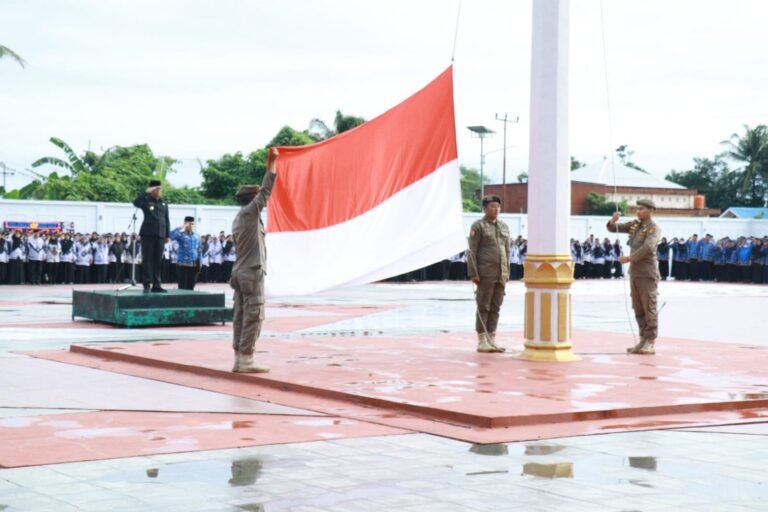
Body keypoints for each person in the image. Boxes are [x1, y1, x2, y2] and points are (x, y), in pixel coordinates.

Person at [229, 148, 279, 373]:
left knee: (240, 315)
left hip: (240, 272)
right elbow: (266, 191)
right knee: (253, 315)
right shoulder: (250, 213)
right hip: (251, 271)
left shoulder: (239, 218)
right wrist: (273, 165)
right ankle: (246, 359)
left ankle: (240, 358)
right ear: (252, 199)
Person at [607, 199, 661, 355]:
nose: (638, 211)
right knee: (638, 308)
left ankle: (650, 341)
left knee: (649, 307)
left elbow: (648, 247)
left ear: (651, 210)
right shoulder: (635, 225)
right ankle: (642, 340)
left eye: (642, 209)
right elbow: (613, 228)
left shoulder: (654, 228)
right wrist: (613, 220)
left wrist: (629, 258)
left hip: (647, 273)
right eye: (637, 209)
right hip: (635, 273)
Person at [467, 194, 510, 353]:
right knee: (483, 306)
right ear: (485, 208)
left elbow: (507, 250)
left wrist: (507, 272)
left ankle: (492, 339)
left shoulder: (504, 227)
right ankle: (482, 340)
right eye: (492, 206)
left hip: (501, 274)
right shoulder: (478, 226)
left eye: (498, 207)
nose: (496, 209)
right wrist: (473, 272)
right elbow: (472, 250)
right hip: (485, 273)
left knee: (496, 307)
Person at [133, 179, 171, 292]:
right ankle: (146, 284)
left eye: (160, 189)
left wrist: (167, 234)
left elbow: (166, 219)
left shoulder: (164, 203)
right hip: (148, 234)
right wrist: (146, 192)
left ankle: (157, 284)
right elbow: (136, 203)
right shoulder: (146, 201)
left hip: (160, 235)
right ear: (152, 190)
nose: (159, 191)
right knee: (148, 260)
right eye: (157, 189)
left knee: (158, 260)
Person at [171, 216, 202, 290]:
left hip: (194, 264)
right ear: (185, 224)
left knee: (191, 285)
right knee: (182, 285)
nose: (190, 226)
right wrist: (180, 227)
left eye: (192, 224)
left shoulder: (197, 236)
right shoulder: (180, 234)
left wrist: (200, 261)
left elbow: (200, 249)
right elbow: (171, 235)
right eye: (189, 224)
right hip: (182, 264)